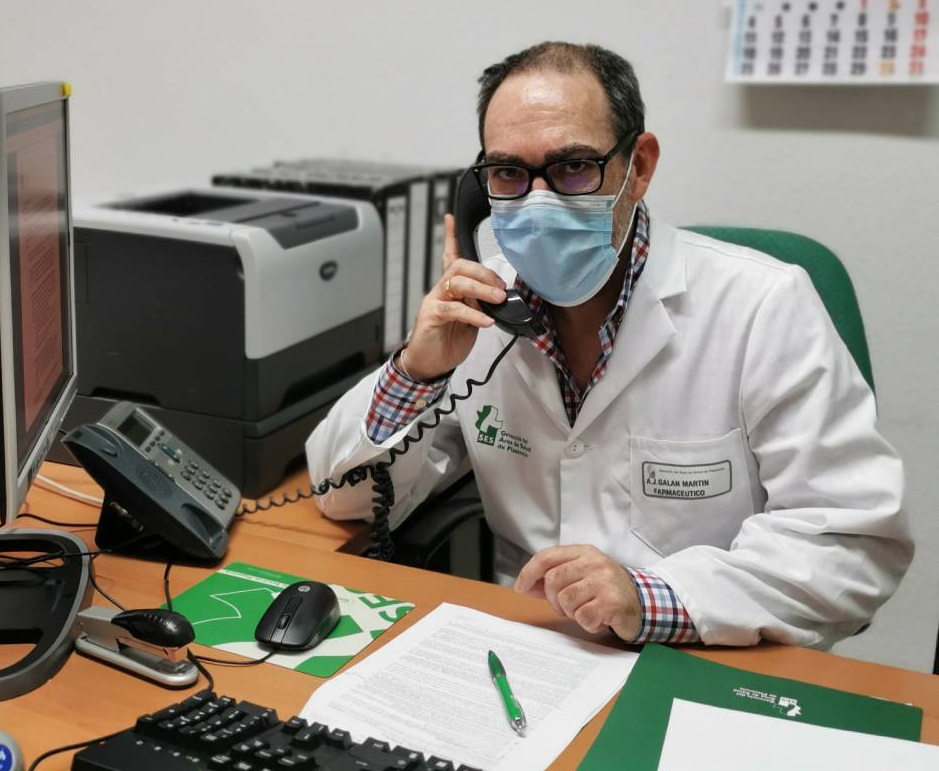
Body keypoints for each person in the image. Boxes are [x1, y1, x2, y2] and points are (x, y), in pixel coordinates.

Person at [305, 41, 911, 648]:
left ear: (638, 167)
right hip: (527, 649)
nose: (538, 203)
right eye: (509, 173)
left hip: (710, 651)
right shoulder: (482, 312)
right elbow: (344, 501)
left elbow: (851, 546)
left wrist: (650, 597)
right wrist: (418, 370)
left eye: (573, 167)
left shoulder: (764, 305)